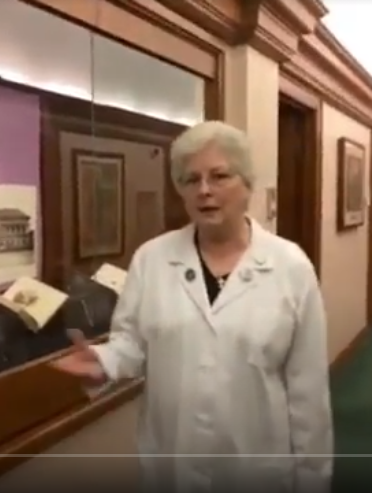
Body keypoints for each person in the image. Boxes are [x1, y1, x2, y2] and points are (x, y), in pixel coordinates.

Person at [51, 121, 333, 493]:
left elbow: (308, 390)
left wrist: (313, 479)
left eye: (219, 176)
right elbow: (132, 343)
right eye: (190, 179)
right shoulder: (152, 259)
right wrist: (103, 361)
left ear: (247, 184)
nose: (204, 191)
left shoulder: (290, 267)